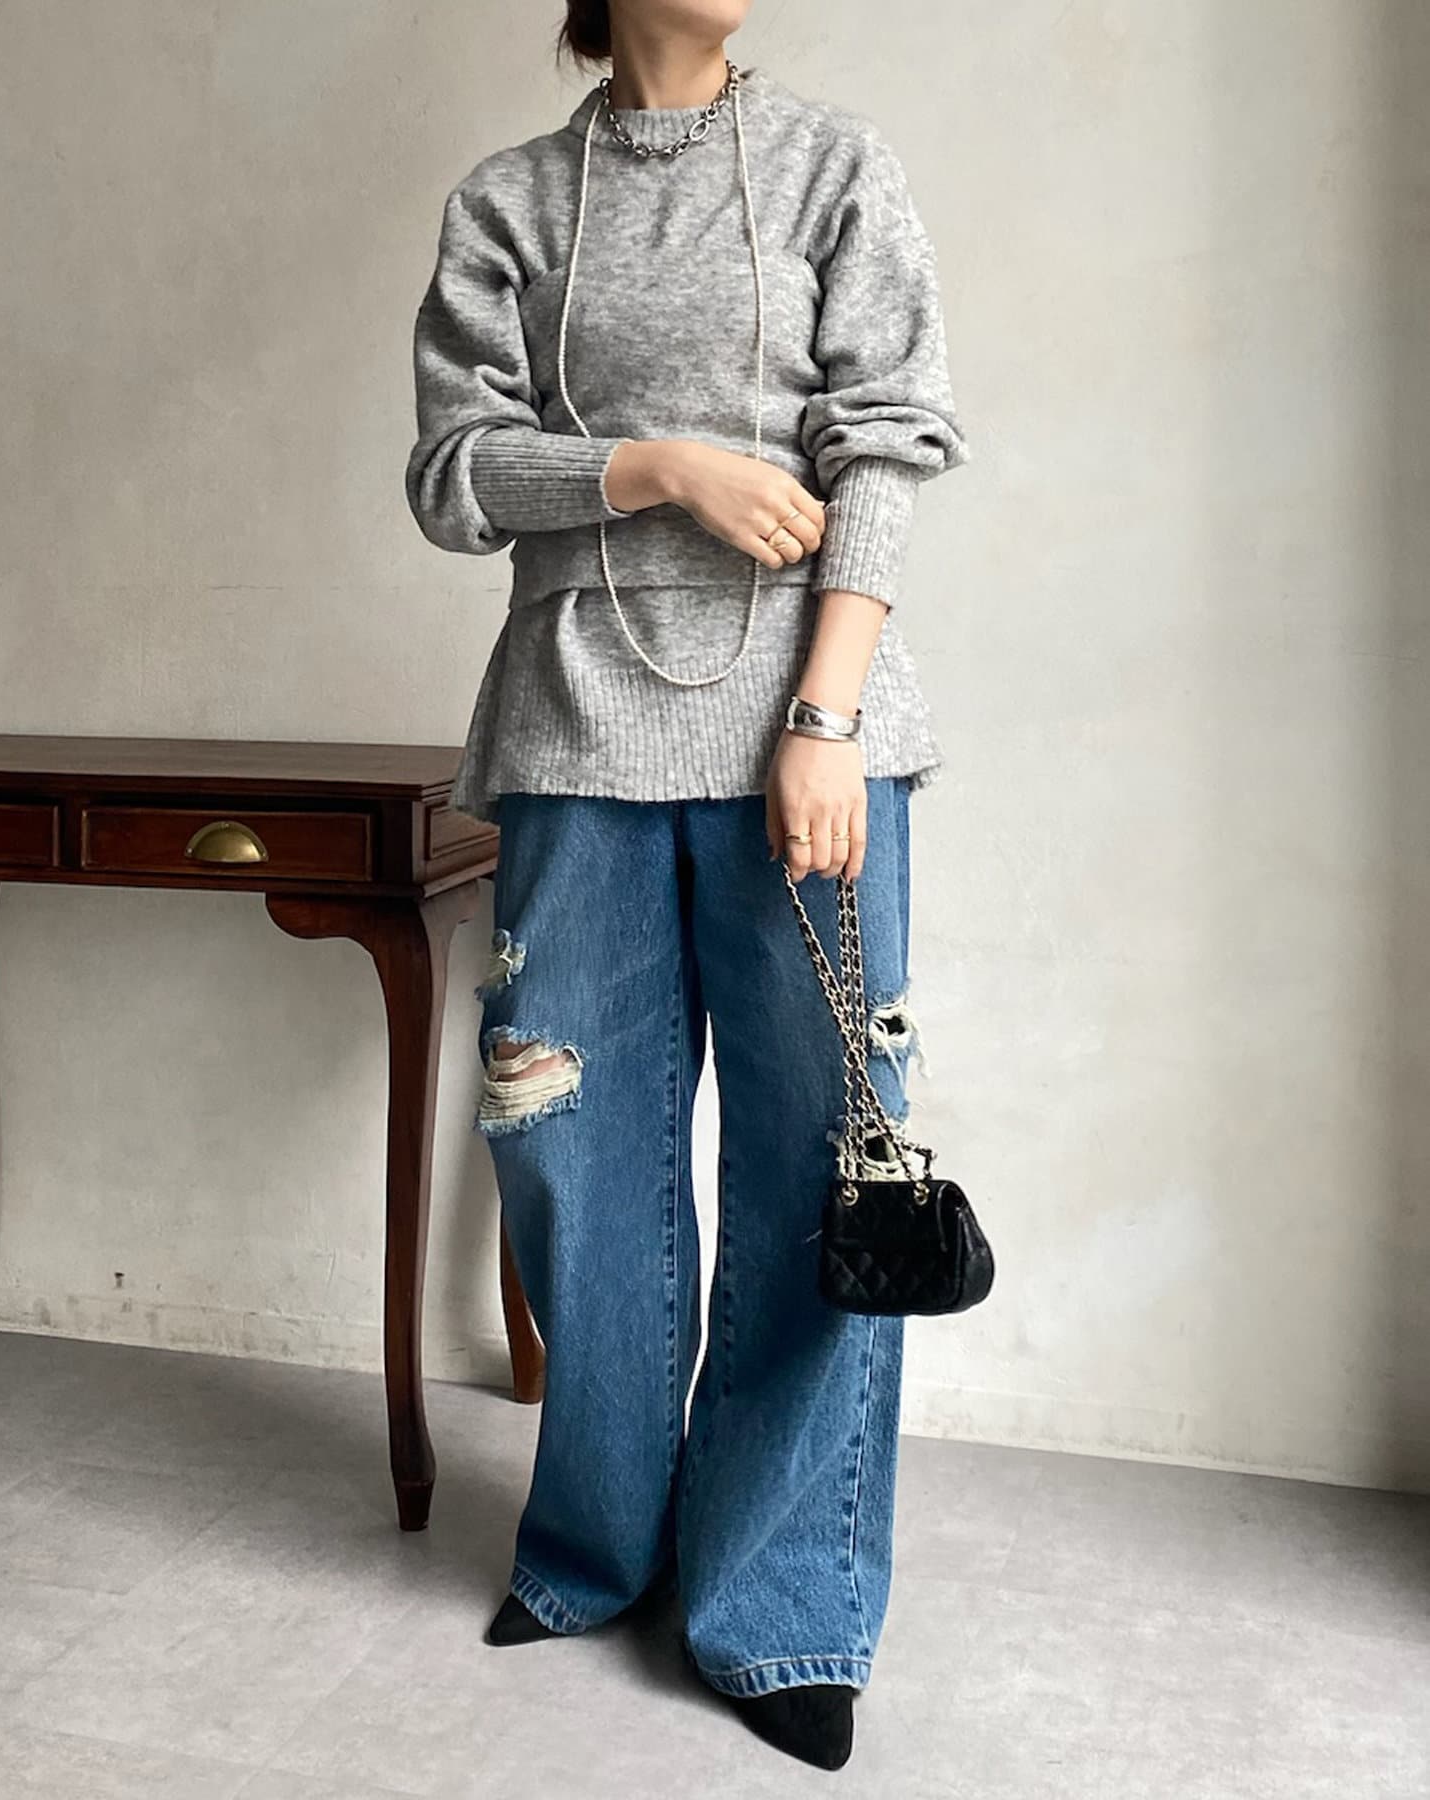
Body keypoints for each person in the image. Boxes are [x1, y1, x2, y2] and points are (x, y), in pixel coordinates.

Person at [404, 0, 970, 1771]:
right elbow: (451, 477)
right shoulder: (509, 200)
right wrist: (653, 469)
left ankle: (782, 1601)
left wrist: (826, 716)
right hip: (570, 732)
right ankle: (596, 1547)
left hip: (805, 738)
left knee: (819, 1160)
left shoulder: (833, 167)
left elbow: (890, 441)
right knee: (568, 1156)